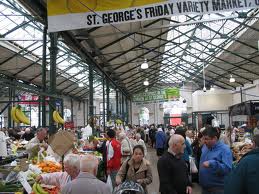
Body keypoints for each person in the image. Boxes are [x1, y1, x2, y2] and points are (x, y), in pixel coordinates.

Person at [199, 127, 232, 194]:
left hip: (217, 189)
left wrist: (213, 163)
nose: (204, 141)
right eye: (203, 138)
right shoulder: (205, 146)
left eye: (206, 139)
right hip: (204, 187)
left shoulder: (225, 150)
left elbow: (227, 169)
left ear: (215, 138)